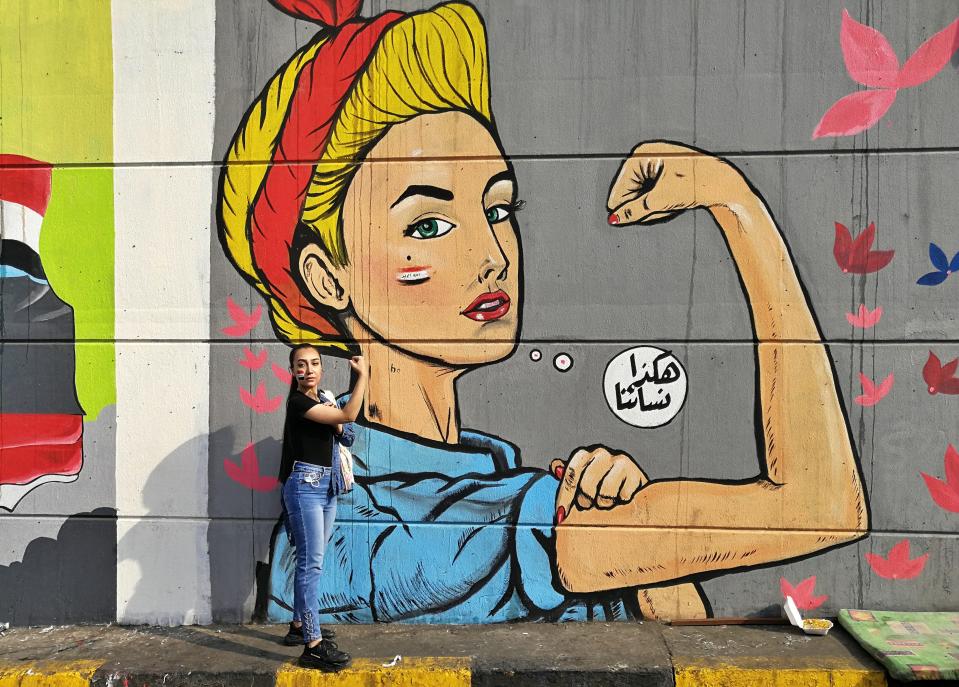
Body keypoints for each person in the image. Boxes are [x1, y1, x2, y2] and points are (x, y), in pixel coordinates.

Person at [217, 0, 867, 625]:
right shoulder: (370, 526)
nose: (491, 253)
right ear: (326, 275)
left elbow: (679, 632)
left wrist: (641, 546)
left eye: (498, 209)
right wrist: (735, 204)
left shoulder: (491, 478)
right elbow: (819, 505)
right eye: (430, 222)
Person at [279, 343, 367, 670]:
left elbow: (347, 436)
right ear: (294, 372)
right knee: (310, 564)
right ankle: (313, 645)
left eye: (314, 363)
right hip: (305, 488)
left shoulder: (323, 399)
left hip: (327, 488)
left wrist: (337, 414)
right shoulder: (298, 402)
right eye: (301, 364)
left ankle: (299, 626)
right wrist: (361, 378)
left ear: (321, 368)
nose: (309, 369)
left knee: (312, 561)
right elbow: (348, 416)